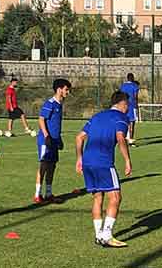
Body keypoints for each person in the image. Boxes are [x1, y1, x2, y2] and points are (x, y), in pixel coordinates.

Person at [75, 91, 133, 248]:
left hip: (88, 161)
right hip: (103, 162)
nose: (128, 107)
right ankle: (107, 235)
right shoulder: (122, 118)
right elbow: (121, 138)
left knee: (97, 197)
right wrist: (127, 160)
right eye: (127, 104)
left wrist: (79, 158)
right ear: (122, 103)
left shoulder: (97, 116)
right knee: (115, 197)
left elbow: (79, 137)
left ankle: (98, 235)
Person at [34, 79, 71, 204]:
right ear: (59, 89)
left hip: (54, 140)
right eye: (66, 89)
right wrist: (46, 136)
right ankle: (37, 195)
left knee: (52, 166)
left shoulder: (60, 104)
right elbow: (41, 119)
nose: (68, 92)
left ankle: (48, 194)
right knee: (44, 165)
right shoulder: (50, 103)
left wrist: (58, 139)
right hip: (46, 141)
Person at [119, 73, 140, 145]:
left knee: (123, 122)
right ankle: (130, 141)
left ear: (127, 78)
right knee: (131, 123)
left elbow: (120, 96)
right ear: (133, 78)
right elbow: (135, 97)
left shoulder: (123, 86)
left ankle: (122, 140)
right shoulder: (135, 86)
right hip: (131, 106)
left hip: (123, 106)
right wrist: (136, 105)